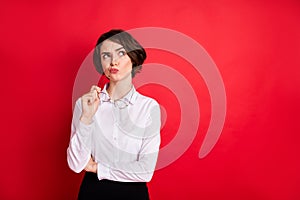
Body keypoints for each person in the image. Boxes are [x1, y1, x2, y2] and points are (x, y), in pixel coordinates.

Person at [67, 29, 161, 200]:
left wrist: (98, 168)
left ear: (133, 59)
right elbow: (76, 164)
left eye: (121, 53)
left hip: (133, 194)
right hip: (93, 192)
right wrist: (87, 118)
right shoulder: (85, 104)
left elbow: (146, 172)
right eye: (106, 56)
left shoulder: (148, 107)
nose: (113, 62)